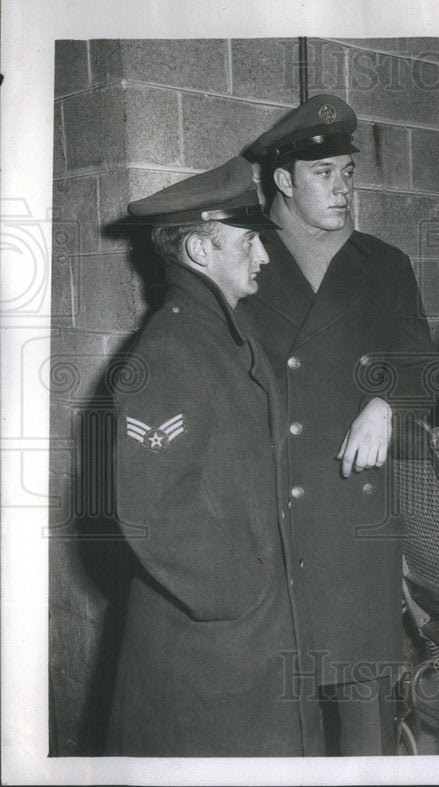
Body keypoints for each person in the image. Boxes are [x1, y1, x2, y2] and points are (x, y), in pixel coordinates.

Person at [107, 156, 323, 756]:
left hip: (254, 633)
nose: (264, 256)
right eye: (250, 240)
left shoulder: (229, 329)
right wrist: (241, 590)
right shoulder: (172, 349)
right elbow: (153, 508)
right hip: (212, 643)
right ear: (200, 251)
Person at [242, 95, 436, 755]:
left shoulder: (384, 265)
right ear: (284, 181)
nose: (343, 187)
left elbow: (422, 371)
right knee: (276, 720)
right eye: (325, 173)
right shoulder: (242, 257)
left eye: (348, 172)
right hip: (271, 522)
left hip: (355, 532)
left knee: (362, 725)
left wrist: (386, 402)